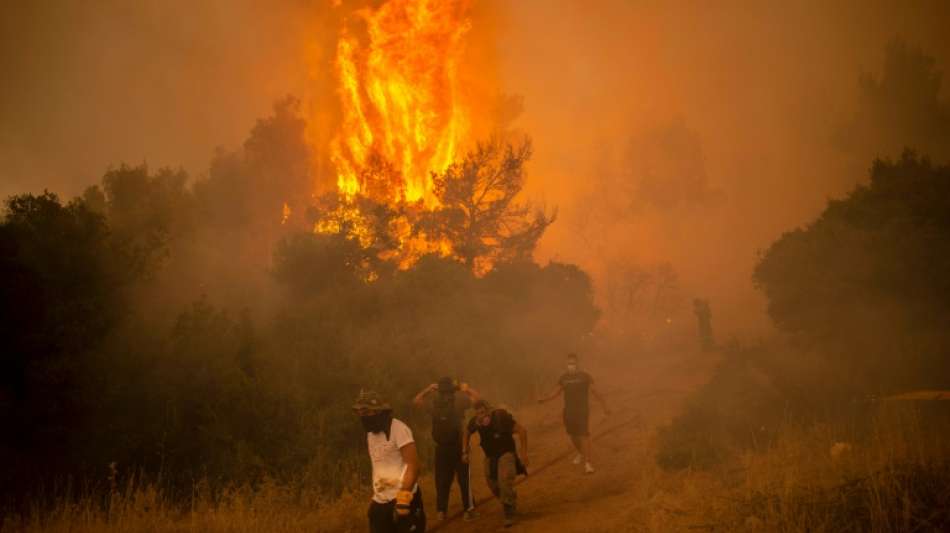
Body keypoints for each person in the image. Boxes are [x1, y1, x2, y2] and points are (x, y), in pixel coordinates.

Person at [353, 389, 426, 533]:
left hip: (403, 499)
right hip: (381, 501)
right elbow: (380, 465)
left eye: (366, 412)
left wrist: (404, 497)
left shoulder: (399, 429)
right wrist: (377, 496)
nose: (363, 417)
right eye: (360, 413)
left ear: (378, 411)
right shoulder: (370, 434)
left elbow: (413, 466)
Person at [412, 377, 480, 522]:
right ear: (452, 391)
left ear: (439, 391)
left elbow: (416, 401)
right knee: (463, 479)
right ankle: (468, 510)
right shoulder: (458, 402)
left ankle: (441, 512)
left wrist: (427, 390)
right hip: (459, 446)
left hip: (442, 448)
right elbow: (478, 401)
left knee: (441, 481)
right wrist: (466, 389)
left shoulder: (434, 404)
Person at [537, 353, 610, 474]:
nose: (571, 365)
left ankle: (588, 463)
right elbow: (555, 392)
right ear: (566, 365)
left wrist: (605, 406)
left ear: (578, 363)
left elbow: (596, 392)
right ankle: (581, 453)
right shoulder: (563, 378)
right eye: (569, 363)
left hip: (582, 410)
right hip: (569, 411)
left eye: (573, 363)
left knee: (583, 435)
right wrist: (544, 399)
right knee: (572, 435)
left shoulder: (585, 376)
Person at [462, 399, 528, 528]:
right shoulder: (476, 422)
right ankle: (509, 498)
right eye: (478, 413)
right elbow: (466, 432)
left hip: (506, 453)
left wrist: (524, 453)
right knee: (492, 484)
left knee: (504, 481)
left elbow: (522, 430)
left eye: (483, 412)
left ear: (489, 411)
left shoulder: (500, 417)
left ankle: (509, 512)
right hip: (490, 456)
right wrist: (464, 451)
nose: (481, 416)